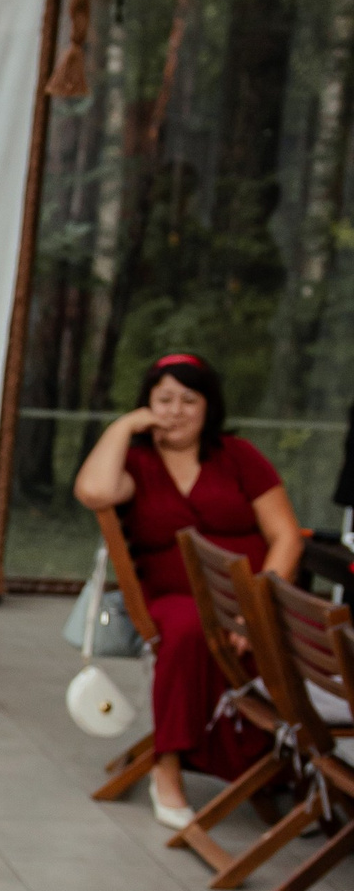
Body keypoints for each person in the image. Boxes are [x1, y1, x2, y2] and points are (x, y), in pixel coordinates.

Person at [73, 352, 304, 829]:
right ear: (147, 405)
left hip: (254, 595)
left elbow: (285, 536)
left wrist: (255, 608)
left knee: (309, 640)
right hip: (175, 599)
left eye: (188, 400)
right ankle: (168, 766)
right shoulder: (136, 463)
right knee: (188, 630)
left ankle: (288, 766)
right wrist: (125, 425)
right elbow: (94, 492)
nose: (175, 411)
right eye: (164, 400)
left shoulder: (239, 457)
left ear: (208, 406)